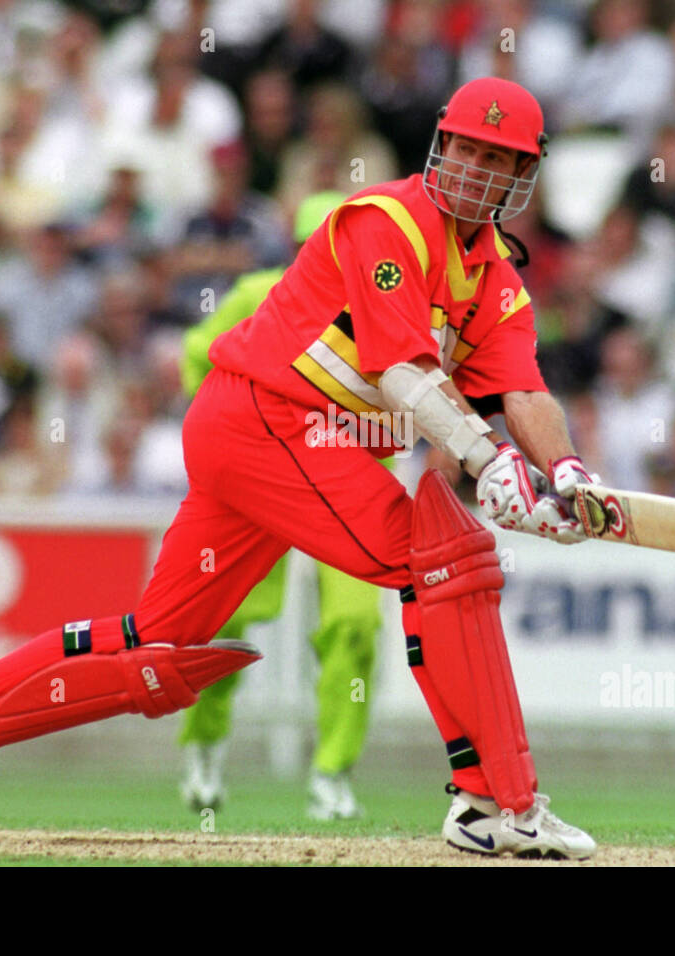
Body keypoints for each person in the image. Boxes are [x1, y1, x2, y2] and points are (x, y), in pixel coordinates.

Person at [0, 77, 601, 859]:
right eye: (469, 147)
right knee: (443, 562)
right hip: (272, 421)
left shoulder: (496, 277)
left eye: (502, 157)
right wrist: (488, 462)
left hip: (273, 438)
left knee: (158, 649)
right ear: (440, 144)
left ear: (525, 177)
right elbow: (402, 370)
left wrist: (566, 473)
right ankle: (494, 801)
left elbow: (522, 390)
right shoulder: (383, 219)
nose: (479, 168)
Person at [176, 190, 380, 821]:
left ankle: (332, 772)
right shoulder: (254, 295)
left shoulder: (385, 307)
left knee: (355, 626)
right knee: (227, 619)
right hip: (261, 476)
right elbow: (197, 355)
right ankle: (205, 746)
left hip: (352, 485)